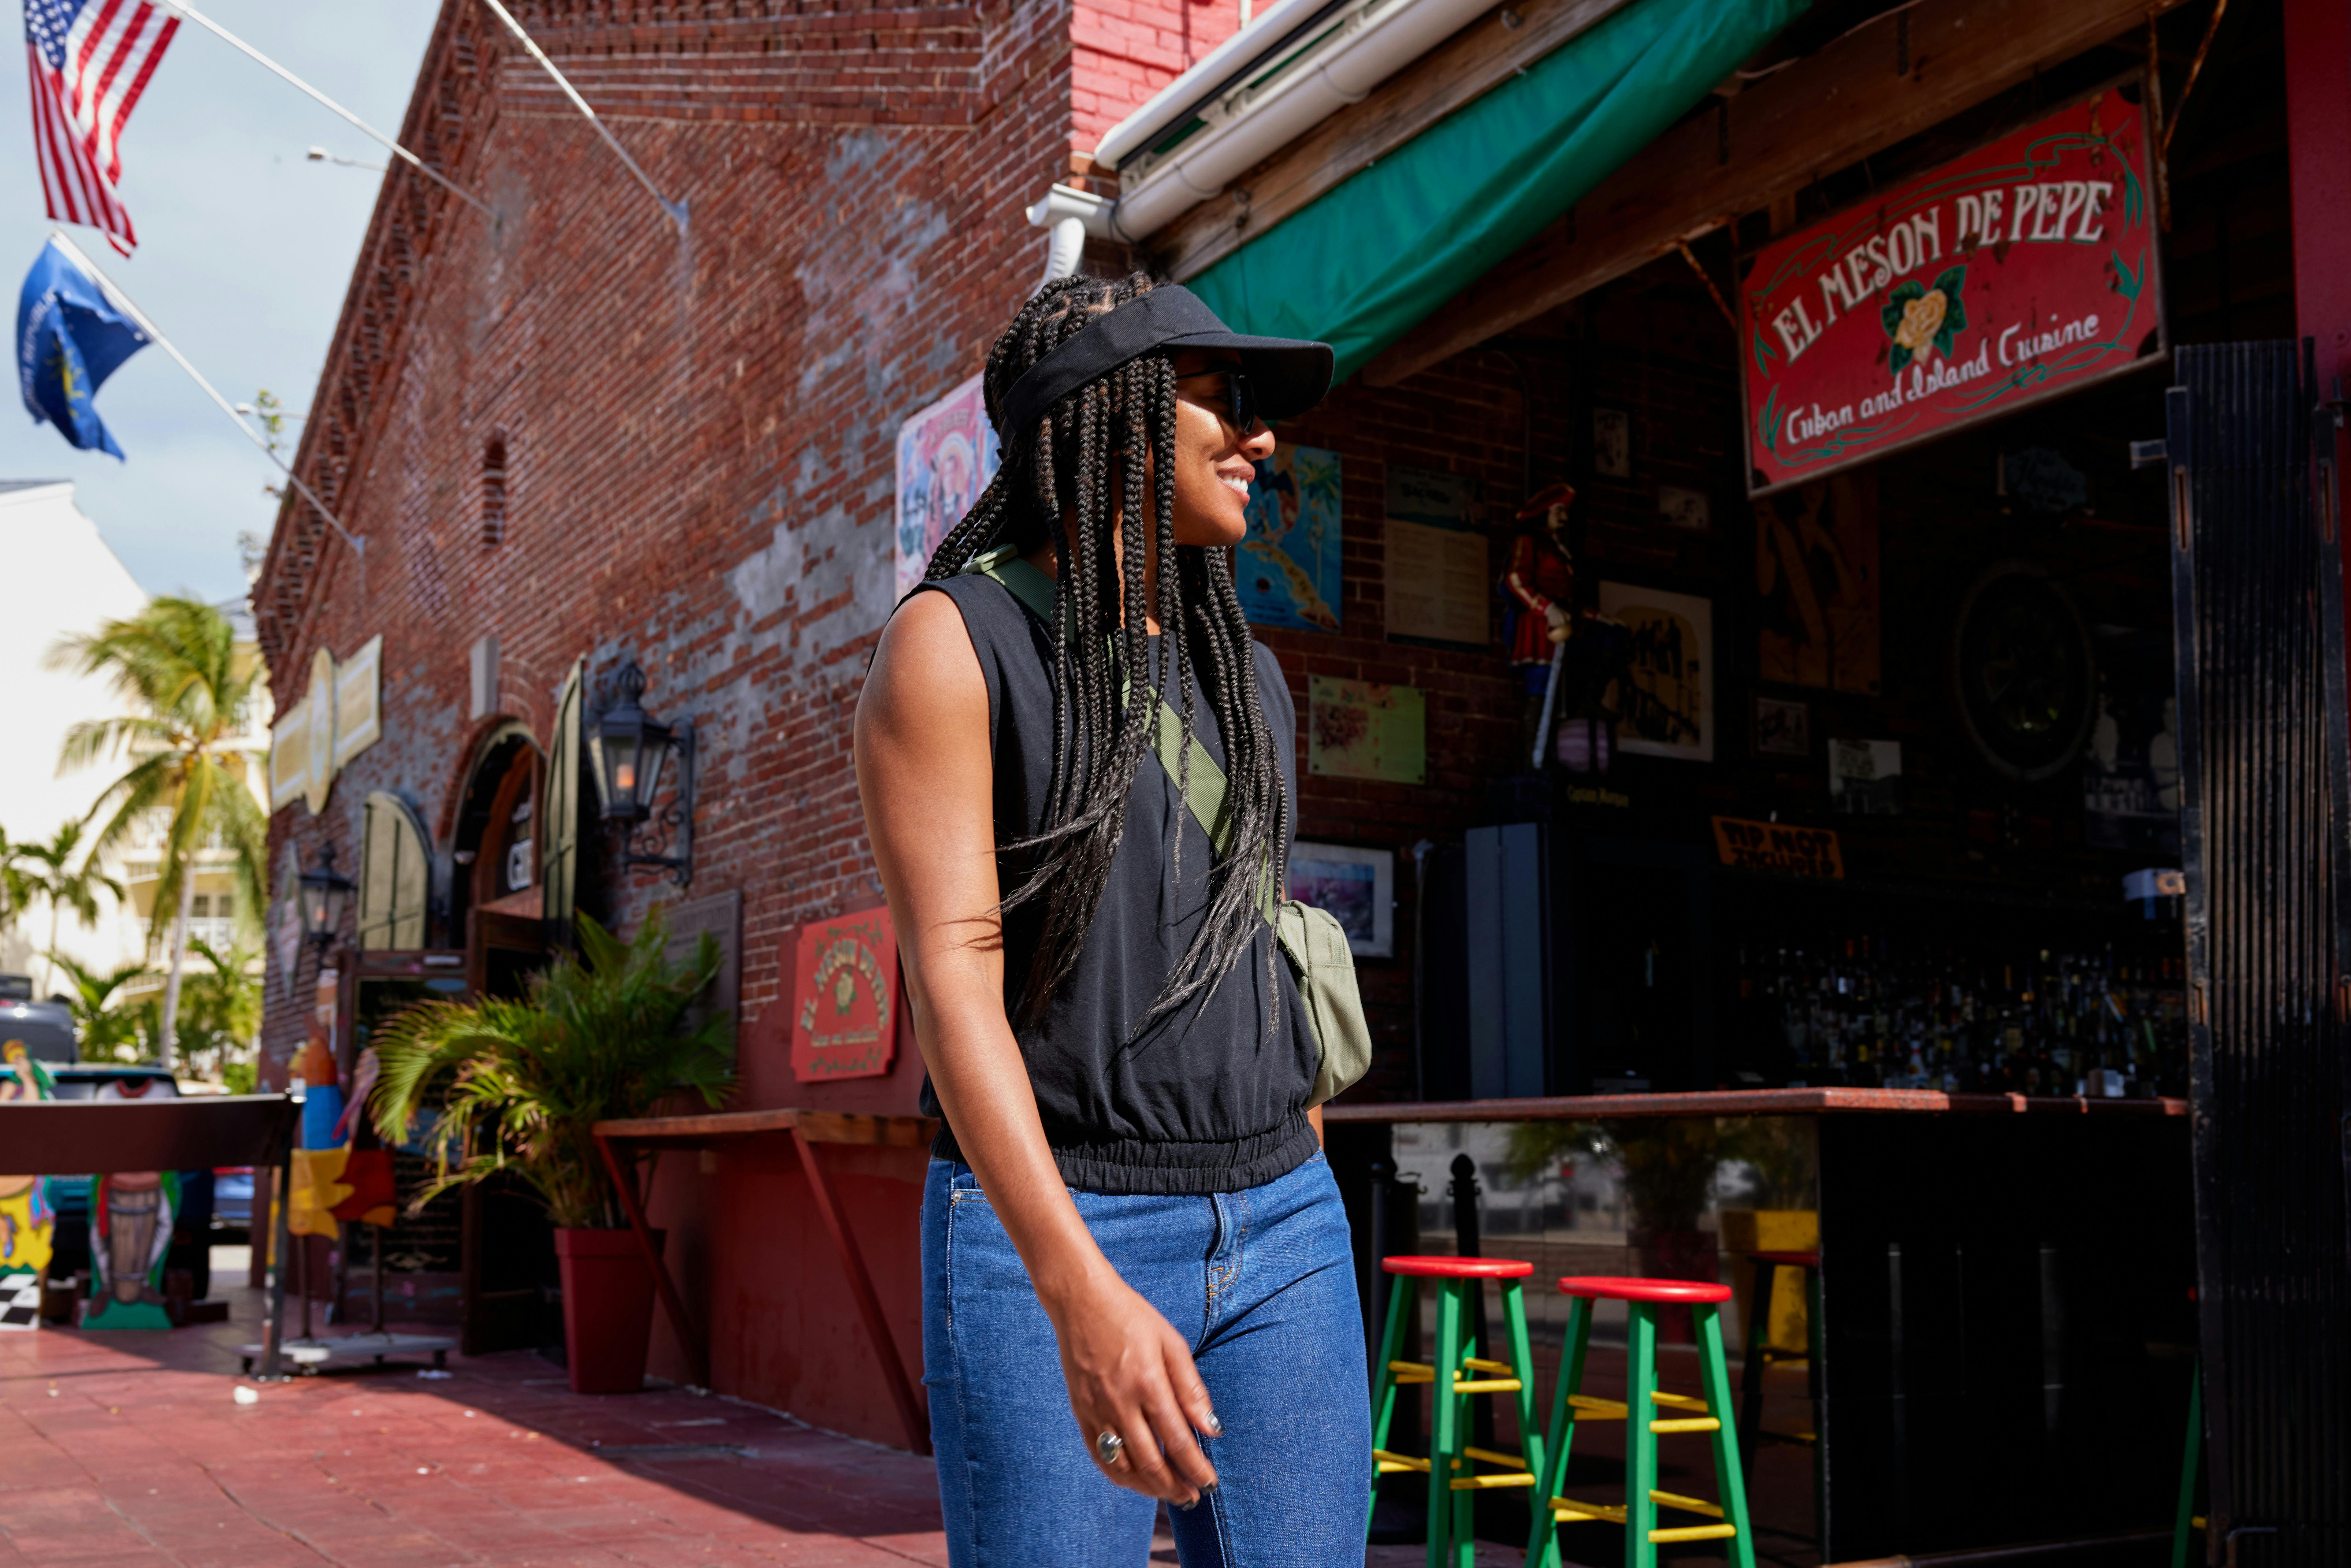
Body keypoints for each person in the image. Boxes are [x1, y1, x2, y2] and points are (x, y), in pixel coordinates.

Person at [855, 273, 1368, 1567]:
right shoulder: (954, 646)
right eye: (1226, 399)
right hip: (1064, 1221)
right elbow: (953, 978)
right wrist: (1074, 1285)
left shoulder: (1245, 673)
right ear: (1112, 411)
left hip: (1284, 1222)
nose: (1262, 440)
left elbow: (1246, 935)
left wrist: (1293, 1148)